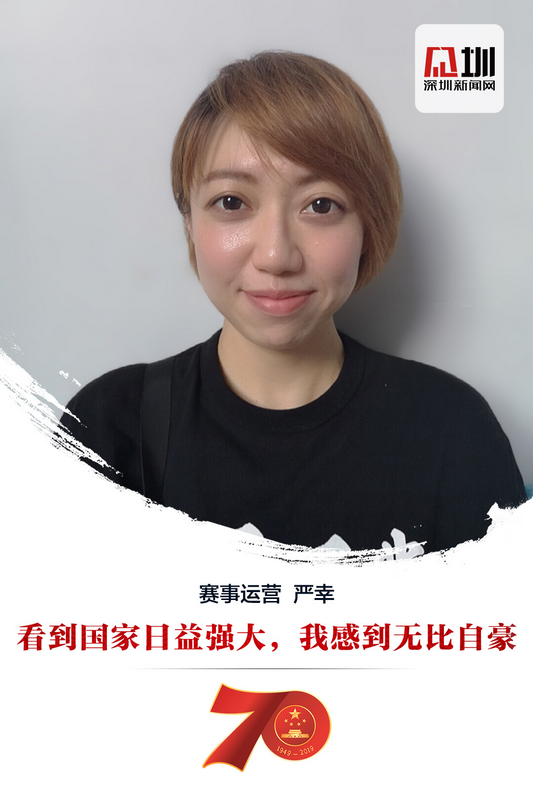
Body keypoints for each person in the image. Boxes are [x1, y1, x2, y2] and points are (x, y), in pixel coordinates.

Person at [59, 51, 525, 555]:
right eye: (231, 202)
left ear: (368, 227)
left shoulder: (451, 431)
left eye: (320, 205)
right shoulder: (108, 427)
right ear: (189, 222)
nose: (276, 256)